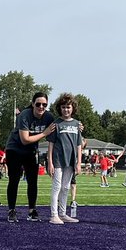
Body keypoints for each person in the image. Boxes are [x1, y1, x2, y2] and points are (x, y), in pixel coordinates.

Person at [4, 93, 56, 222]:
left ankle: (32, 211)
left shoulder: (49, 116)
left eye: (44, 104)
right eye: (38, 104)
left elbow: (60, 126)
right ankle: (11, 210)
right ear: (33, 104)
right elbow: (25, 139)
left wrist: (77, 127)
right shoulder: (25, 115)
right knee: (14, 179)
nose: (41, 107)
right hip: (15, 148)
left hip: (31, 150)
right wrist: (44, 133)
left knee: (33, 181)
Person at [47, 94, 83, 224]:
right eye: (63, 107)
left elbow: (79, 144)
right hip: (58, 160)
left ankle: (62, 213)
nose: (66, 110)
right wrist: (50, 162)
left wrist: (79, 162)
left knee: (66, 187)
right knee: (56, 186)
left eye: (68, 107)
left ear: (73, 108)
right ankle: (54, 215)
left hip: (71, 160)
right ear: (59, 108)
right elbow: (50, 144)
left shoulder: (77, 124)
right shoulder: (56, 124)